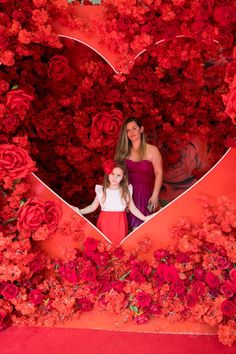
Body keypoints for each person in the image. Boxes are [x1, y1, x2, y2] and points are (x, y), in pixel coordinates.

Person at [72, 159, 153, 244]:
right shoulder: (102, 190)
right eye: (112, 174)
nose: (114, 178)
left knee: (118, 247)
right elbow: (92, 207)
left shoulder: (126, 191)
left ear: (123, 177)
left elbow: (132, 208)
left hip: (120, 224)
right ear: (108, 173)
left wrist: (144, 218)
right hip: (104, 223)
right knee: (103, 246)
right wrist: (79, 211)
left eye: (118, 175)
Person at [115, 117, 163, 229]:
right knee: (124, 230)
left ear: (141, 129)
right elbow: (115, 176)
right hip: (126, 195)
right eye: (128, 130)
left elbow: (159, 173)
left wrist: (155, 196)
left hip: (145, 195)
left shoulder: (152, 150)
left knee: (145, 229)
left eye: (134, 128)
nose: (131, 132)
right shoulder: (122, 152)